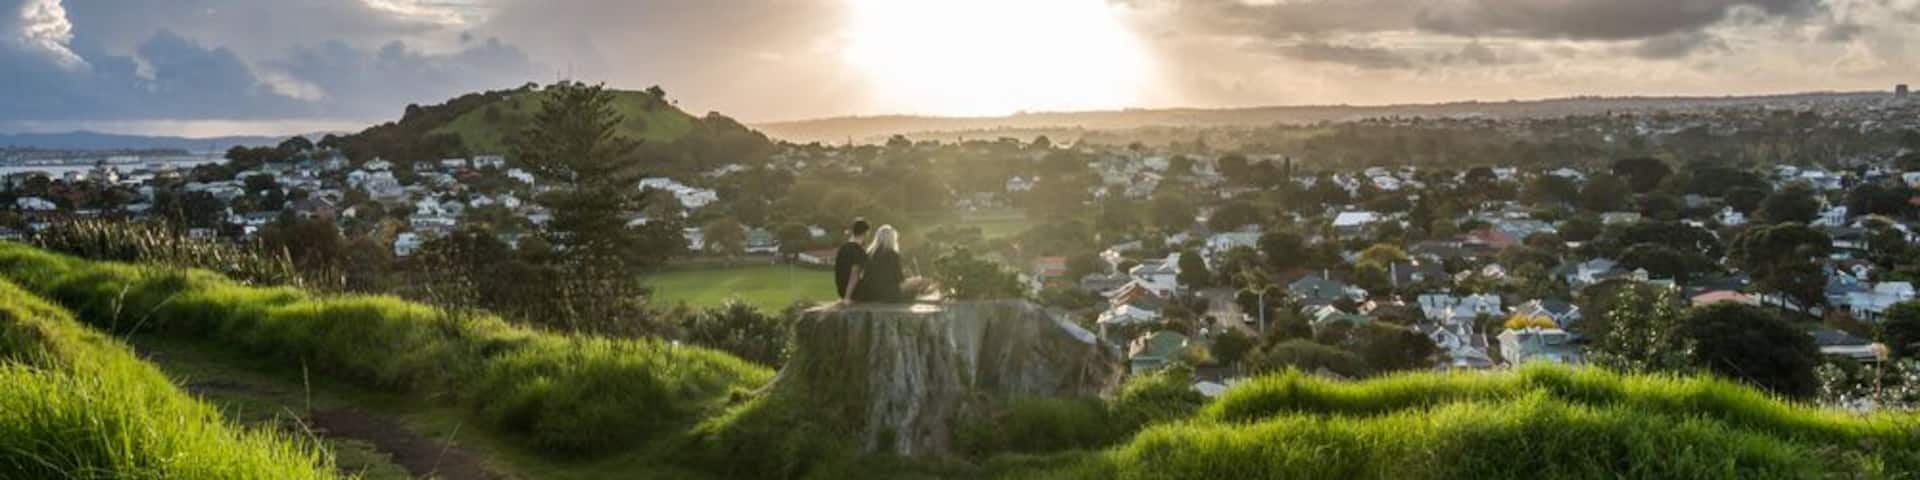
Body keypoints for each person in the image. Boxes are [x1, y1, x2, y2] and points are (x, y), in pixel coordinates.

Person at [852, 225, 906, 303]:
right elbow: (900, 278)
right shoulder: (893, 255)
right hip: (886, 295)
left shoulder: (869, 253)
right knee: (916, 283)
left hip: (868, 293)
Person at [834, 219, 870, 304]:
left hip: (841, 290)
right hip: (853, 293)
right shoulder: (858, 250)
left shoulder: (843, 247)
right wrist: (847, 297)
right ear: (866, 233)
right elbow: (855, 274)